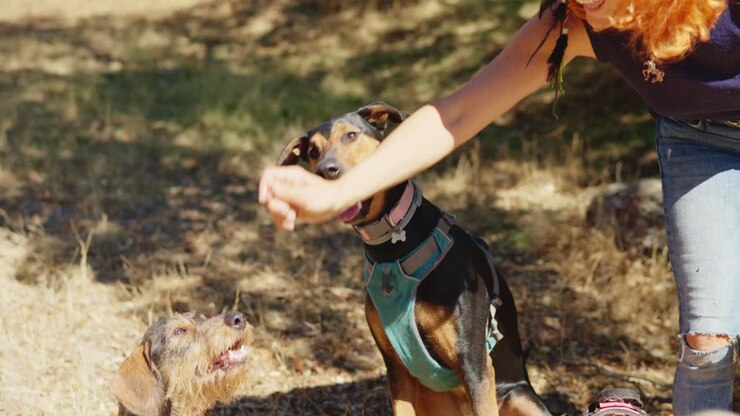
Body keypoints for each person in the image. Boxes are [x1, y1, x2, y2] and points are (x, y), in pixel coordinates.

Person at [258, 0, 740, 414]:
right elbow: (460, 111)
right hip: (695, 137)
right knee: (706, 341)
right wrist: (341, 191)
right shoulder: (574, 19)